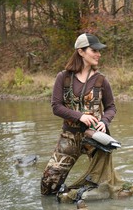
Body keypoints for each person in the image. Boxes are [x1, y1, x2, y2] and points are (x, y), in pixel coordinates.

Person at [41, 33, 117, 196]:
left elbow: (111, 107)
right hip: (69, 137)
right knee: (48, 187)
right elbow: (56, 107)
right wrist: (80, 116)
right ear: (81, 52)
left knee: (104, 188)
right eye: (94, 50)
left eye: (99, 51)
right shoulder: (63, 77)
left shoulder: (102, 80)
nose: (99, 54)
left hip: (95, 140)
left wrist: (105, 121)